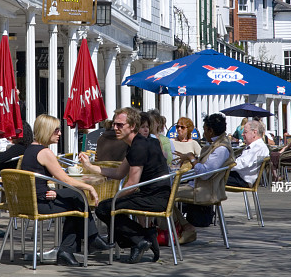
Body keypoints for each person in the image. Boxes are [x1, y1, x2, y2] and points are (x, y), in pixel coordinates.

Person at [80, 107, 171, 264]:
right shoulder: (139, 143)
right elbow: (119, 173)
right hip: (156, 194)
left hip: (154, 198)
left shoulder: (138, 146)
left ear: (132, 126)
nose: (115, 128)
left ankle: (140, 239)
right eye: (115, 124)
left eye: (120, 125)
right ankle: (144, 236)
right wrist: (89, 166)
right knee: (107, 206)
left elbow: (132, 184)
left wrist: (114, 199)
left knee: (104, 208)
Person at [19, 114, 112, 266]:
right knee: (78, 196)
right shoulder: (45, 152)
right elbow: (66, 179)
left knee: (75, 203)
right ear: (46, 130)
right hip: (41, 203)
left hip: (31, 201)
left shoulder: (30, 150)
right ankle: (89, 239)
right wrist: (89, 187)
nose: (60, 133)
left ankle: (68, 250)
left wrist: (54, 191)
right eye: (56, 130)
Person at [172, 113, 235, 245]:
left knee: (166, 195)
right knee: (166, 192)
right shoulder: (217, 144)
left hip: (205, 190)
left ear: (210, 130)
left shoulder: (221, 149)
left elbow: (205, 173)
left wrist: (191, 157)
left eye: (204, 129)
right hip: (201, 186)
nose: (203, 132)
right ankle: (180, 228)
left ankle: (184, 229)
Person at [226, 120, 269, 188]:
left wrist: (223, 165)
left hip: (241, 179)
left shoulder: (258, 147)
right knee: (208, 175)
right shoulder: (256, 146)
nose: (242, 134)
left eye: (245, 132)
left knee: (209, 178)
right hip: (238, 176)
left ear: (254, 132)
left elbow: (242, 163)